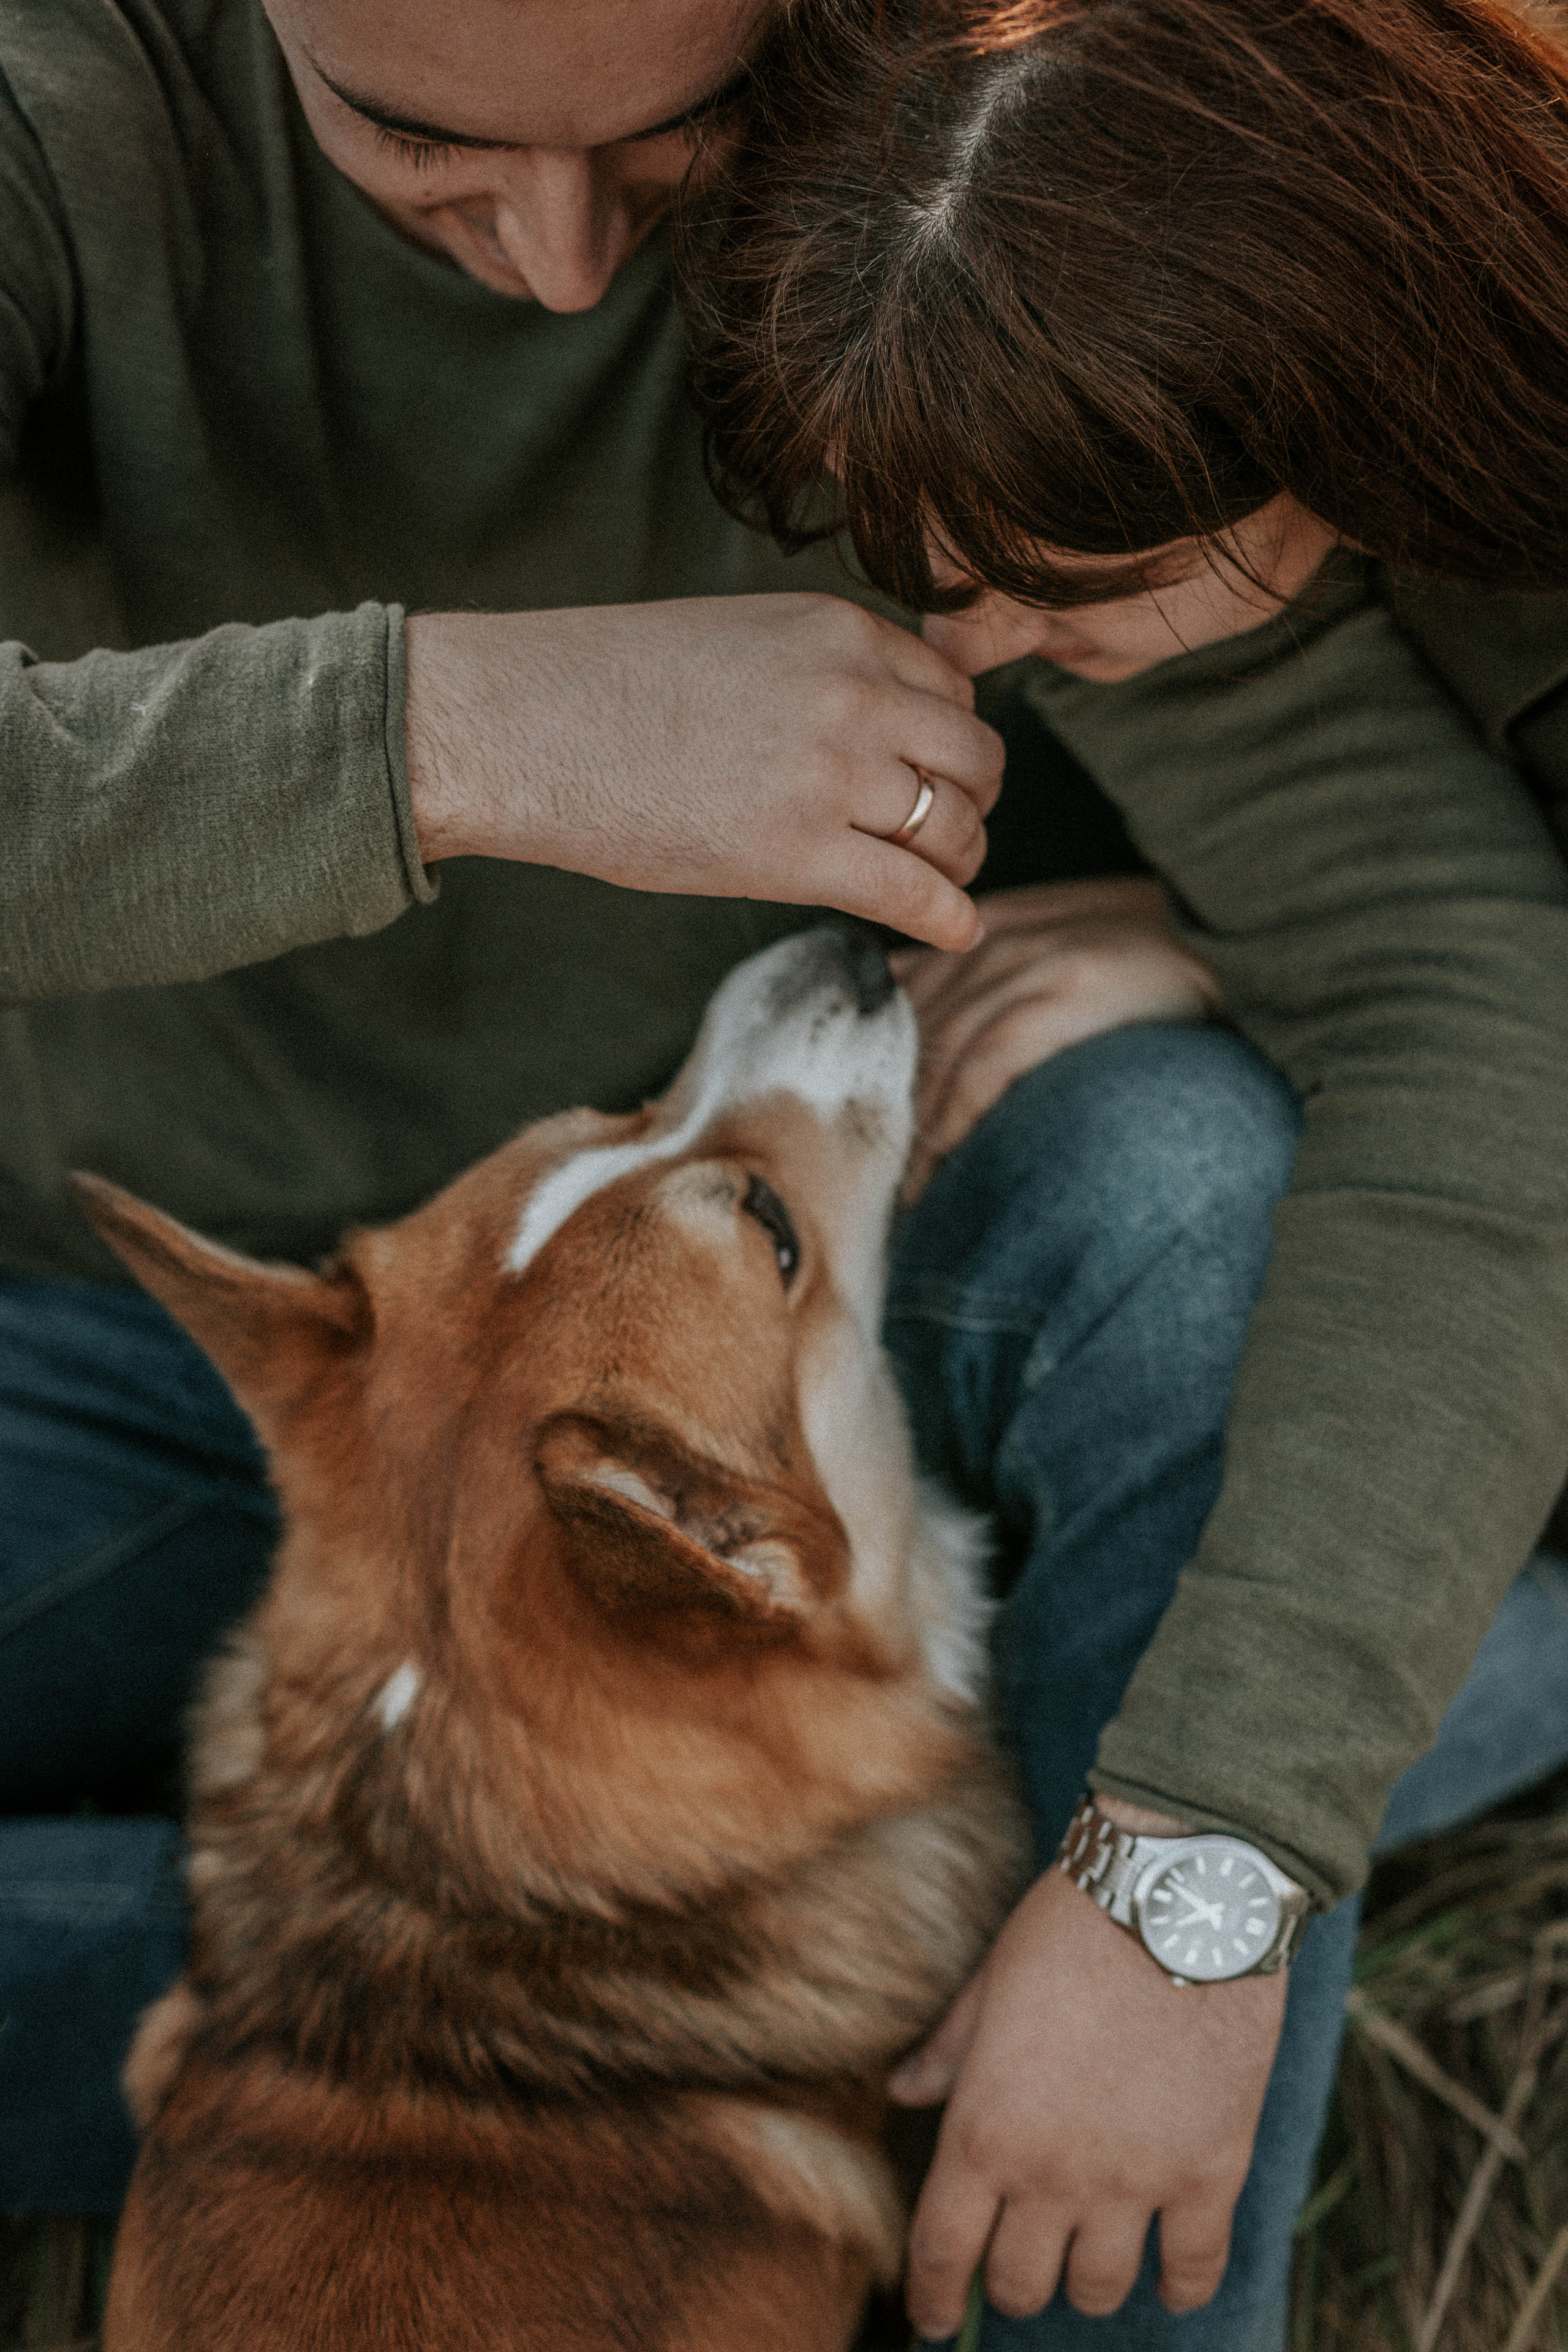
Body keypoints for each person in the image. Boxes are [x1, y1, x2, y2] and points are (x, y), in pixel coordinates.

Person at [0, 5, 1561, 2352]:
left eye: (668, 150)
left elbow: (1453, 998)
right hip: (133, 1330)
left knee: (1179, 1192)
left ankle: (1073, 2067)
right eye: (417, 149)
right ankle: (724, 1947)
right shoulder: (56, 108)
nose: (554, 269)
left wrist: (1202, 1874)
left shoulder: (943, 187)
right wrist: (461, 733)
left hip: (810, 1335)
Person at [679, 0, 1568, 2342]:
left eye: (1065, 597)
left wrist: (1201, 1871)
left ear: (1339, 420)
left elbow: (1475, 1072)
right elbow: (1441, 973)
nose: (979, 659)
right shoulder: (1066, 215)